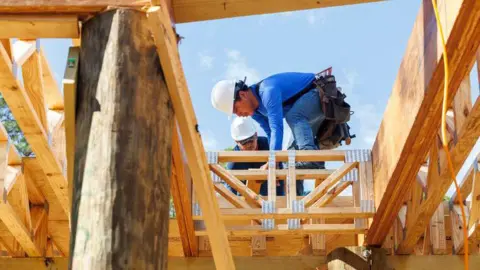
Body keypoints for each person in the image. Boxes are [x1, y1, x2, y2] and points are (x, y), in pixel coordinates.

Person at [211, 72, 327, 170]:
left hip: (320, 93)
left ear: (242, 95)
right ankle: (316, 163)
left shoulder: (267, 92)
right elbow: (271, 133)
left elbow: (277, 128)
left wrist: (272, 161)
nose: (238, 115)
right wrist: (276, 164)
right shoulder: (255, 112)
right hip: (308, 109)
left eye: (236, 109)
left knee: (293, 116)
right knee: (290, 158)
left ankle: (311, 158)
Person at [226, 117, 286, 196]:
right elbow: (230, 192)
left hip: (271, 188)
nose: (249, 144)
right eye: (244, 142)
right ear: (237, 142)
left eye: (251, 139)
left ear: (256, 135)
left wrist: (271, 165)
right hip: (247, 196)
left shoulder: (268, 145)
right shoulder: (233, 162)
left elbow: (279, 166)